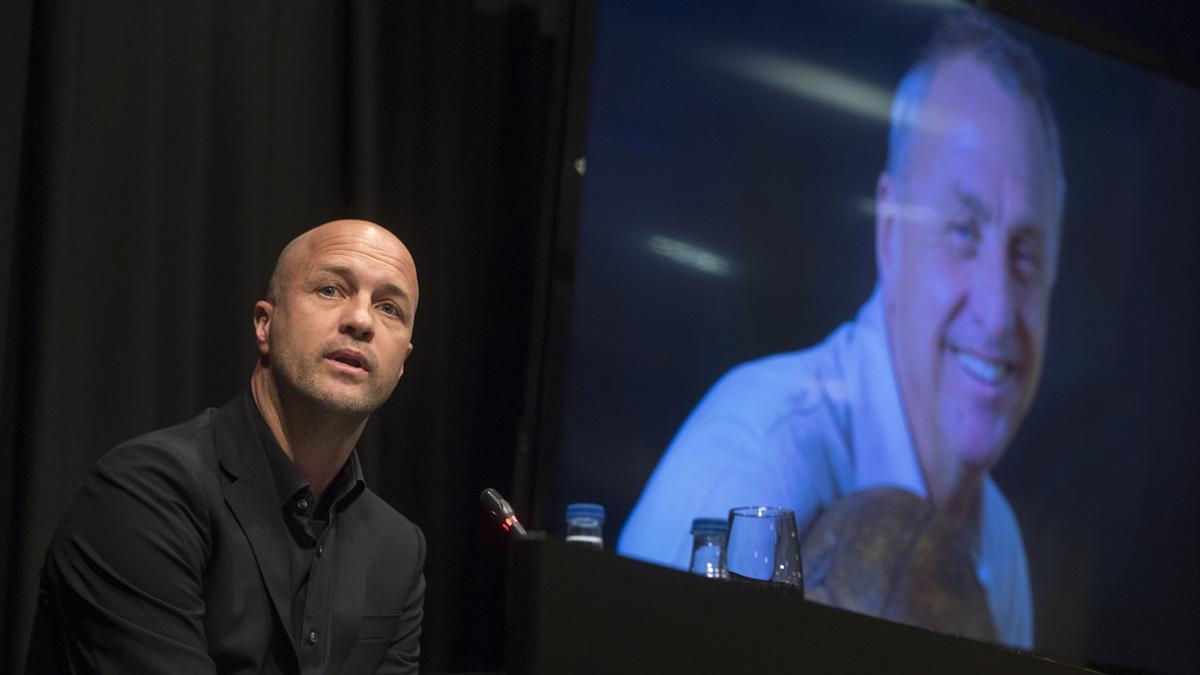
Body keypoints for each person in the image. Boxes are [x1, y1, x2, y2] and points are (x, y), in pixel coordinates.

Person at [618, 11, 1065, 650]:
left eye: (1026, 251)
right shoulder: (756, 455)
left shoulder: (1002, 543)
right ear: (889, 233)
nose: (997, 313)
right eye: (963, 230)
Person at [26, 219, 426, 674]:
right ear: (265, 324)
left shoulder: (398, 548)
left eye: (390, 307)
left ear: (401, 365)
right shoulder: (143, 494)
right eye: (331, 290)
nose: (360, 320)